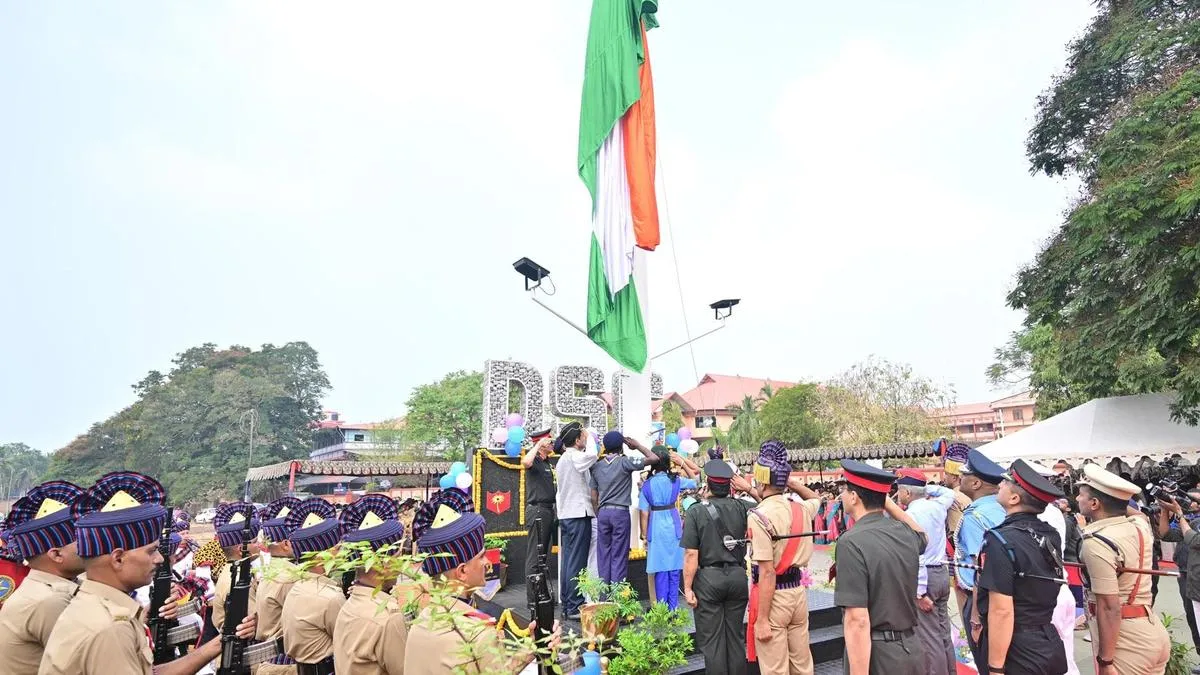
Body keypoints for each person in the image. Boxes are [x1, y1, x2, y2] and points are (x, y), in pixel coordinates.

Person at [39, 471, 257, 675]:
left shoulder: (98, 608)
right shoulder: (110, 627)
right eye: (151, 551)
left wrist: (220, 642)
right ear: (118, 559)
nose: (160, 559)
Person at [405, 491, 560, 674]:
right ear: (462, 571)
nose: (488, 563)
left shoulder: (421, 620)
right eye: (481, 557)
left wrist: (531, 646)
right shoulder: (476, 632)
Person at [975, 459, 1068, 675]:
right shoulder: (1050, 534)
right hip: (1046, 639)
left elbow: (1001, 611)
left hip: (1016, 649)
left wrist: (996, 668)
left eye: (1006, 483)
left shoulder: (1000, 539)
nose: (1000, 485)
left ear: (1014, 499)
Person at [833, 459, 927, 675]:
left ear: (854, 497)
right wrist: (884, 500)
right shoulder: (904, 532)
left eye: (844, 490)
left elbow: (857, 620)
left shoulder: (852, 541)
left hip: (878, 655)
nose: (841, 496)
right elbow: (923, 536)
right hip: (910, 648)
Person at [1076, 463, 1170, 675]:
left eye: (1081, 495)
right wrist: (1117, 499)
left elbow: (1110, 608)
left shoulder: (1097, 542)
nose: (1077, 499)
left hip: (1126, 642)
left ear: (1094, 503)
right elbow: (1138, 515)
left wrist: (1106, 661)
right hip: (1150, 628)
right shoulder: (1139, 525)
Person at [746, 440, 823, 675]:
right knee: (802, 665)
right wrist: (789, 482)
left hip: (774, 598)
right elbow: (816, 498)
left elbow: (767, 572)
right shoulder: (800, 509)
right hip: (797, 594)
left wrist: (762, 619)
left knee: (775, 669)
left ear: (761, 482)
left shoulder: (758, 516)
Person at [0, 480, 85, 675]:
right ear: (56, 555)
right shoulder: (50, 601)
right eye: (83, 539)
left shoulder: (48, 588)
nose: (94, 543)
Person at [681, 459, 755, 675]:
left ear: (708, 484)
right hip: (737, 576)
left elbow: (691, 554)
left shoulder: (696, 511)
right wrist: (750, 489)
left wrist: (687, 588)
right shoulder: (742, 507)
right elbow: (768, 507)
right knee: (735, 638)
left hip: (709, 579)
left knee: (713, 642)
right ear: (731, 484)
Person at [334, 494, 409, 675]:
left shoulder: (349, 604)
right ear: (383, 564)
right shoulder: (388, 618)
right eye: (398, 556)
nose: (402, 563)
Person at [893, 468, 957, 675]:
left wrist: (919, 592)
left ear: (907, 492)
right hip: (940, 573)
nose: (898, 494)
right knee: (943, 633)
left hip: (925, 576)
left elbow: (917, 553)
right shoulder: (937, 506)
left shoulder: (910, 515)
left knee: (929, 639)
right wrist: (924, 488)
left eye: (900, 490)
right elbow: (949, 493)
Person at [280, 498, 346, 675]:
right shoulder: (329, 598)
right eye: (337, 548)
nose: (341, 553)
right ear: (321, 557)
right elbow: (348, 644)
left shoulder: (298, 587)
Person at [956, 448, 1008, 662]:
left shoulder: (974, 516)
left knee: (987, 659)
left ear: (976, 483)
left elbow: (981, 568)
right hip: (1006, 597)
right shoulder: (1002, 508)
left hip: (983, 601)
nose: (959, 477)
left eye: (964, 474)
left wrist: (976, 616)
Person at [590, 430, 659, 583]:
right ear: (621, 446)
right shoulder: (625, 462)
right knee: (619, 555)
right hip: (620, 513)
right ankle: (617, 593)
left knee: (603, 555)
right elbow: (654, 458)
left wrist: (598, 513)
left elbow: (593, 497)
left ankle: (603, 593)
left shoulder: (596, 467)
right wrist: (637, 445)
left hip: (603, 513)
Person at [639, 444, 699, 610]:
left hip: (656, 527)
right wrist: (683, 463)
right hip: (673, 526)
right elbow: (696, 482)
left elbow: (643, 513)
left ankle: (662, 611)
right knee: (674, 569)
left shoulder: (646, 485)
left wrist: (644, 536)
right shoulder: (676, 481)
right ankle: (673, 609)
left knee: (660, 570)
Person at [553, 422, 597, 620]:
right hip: (578, 513)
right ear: (577, 440)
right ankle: (574, 606)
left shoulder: (564, 458)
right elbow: (592, 455)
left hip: (568, 514)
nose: (585, 439)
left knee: (569, 561)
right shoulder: (574, 456)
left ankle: (567, 603)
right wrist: (591, 437)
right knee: (577, 562)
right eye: (583, 437)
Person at [257, 496, 303, 675]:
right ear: (286, 544)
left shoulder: (268, 569)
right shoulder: (292, 577)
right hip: (285, 663)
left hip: (268, 659)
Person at [1157, 491, 1200, 659]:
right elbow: (1166, 534)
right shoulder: (1191, 522)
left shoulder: (1188, 522)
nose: (1192, 503)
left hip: (1196, 576)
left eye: (1195, 500)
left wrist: (1180, 514)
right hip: (1187, 574)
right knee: (1193, 618)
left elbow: (1193, 540)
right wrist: (1164, 510)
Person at [209, 501, 261, 640]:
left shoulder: (231, 571)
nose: (259, 545)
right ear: (241, 549)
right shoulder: (239, 580)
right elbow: (255, 622)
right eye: (255, 542)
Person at [520, 428, 556, 580]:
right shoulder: (534, 460)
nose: (553, 443)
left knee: (542, 556)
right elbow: (525, 462)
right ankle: (532, 594)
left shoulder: (546, 462)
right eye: (550, 441)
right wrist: (538, 444)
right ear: (542, 444)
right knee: (535, 556)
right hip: (538, 510)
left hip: (548, 510)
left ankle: (540, 591)